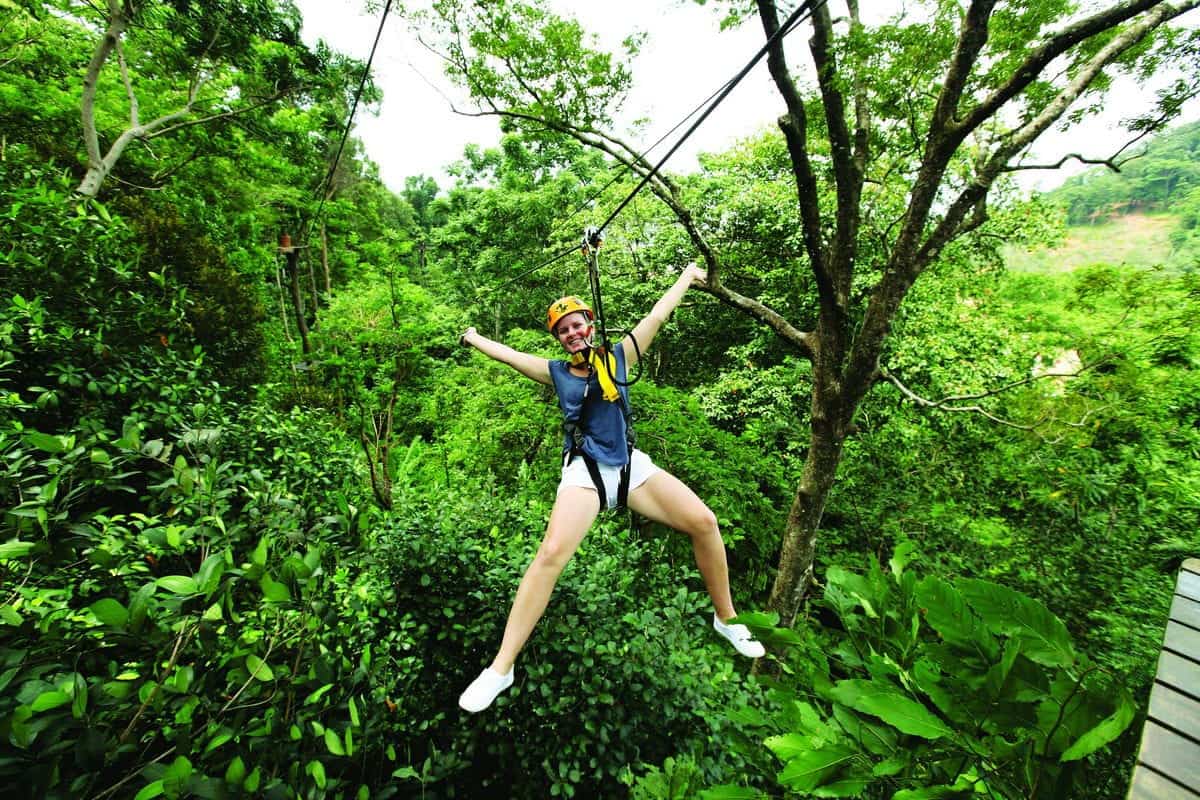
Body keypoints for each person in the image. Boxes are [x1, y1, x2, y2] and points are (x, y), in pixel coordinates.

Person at [457, 263, 764, 714]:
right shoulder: (557, 372)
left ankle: (727, 618)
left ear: (591, 325)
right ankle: (501, 668)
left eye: (577, 325)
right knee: (550, 555)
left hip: (630, 466)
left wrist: (687, 276)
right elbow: (509, 355)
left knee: (704, 521)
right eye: (563, 330)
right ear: (558, 339)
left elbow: (657, 315)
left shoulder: (619, 356)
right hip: (585, 471)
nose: (572, 334)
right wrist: (473, 337)